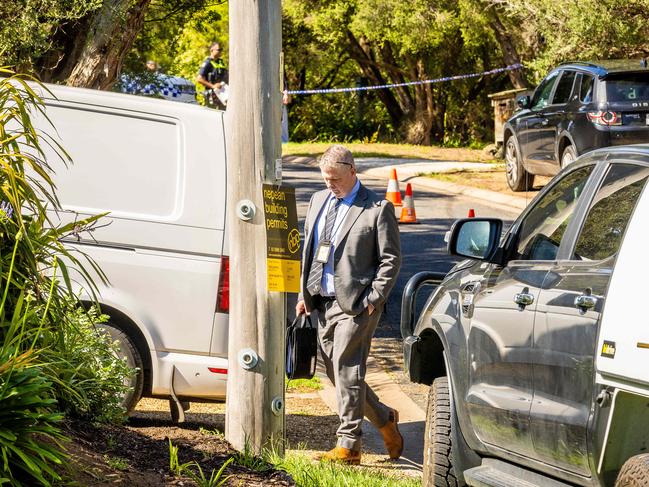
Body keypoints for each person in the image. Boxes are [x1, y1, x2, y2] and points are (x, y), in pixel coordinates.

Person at [295, 145, 402, 465]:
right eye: (326, 179)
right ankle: (385, 421)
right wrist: (305, 294)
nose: (330, 185)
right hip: (322, 301)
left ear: (352, 171)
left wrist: (374, 298)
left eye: (336, 179)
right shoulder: (317, 201)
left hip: (357, 304)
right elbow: (312, 251)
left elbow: (391, 259)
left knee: (346, 366)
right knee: (338, 372)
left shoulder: (376, 208)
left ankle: (349, 446)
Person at [197, 42, 229, 109]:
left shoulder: (221, 62)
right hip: (213, 96)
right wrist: (213, 86)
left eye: (221, 49)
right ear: (212, 50)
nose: (220, 51)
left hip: (223, 94)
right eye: (219, 50)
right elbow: (199, 79)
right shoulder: (207, 63)